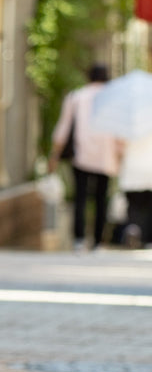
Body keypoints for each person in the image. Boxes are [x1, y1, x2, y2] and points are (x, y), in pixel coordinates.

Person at [48, 64, 118, 251]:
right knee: (101, 199)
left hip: (81, 154)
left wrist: (55, 154)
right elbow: (119, 130)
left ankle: (79, 240)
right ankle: (98, 242)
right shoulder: (112, 98)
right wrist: (120, 154)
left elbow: (63, 127)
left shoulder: (76, 96)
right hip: (106, 156)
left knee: (80, 197)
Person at [117, 132, 152, 247]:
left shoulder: (126, 128)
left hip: (131, 172)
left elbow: (119, 150)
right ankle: (146, 238)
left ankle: (133, 230)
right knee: (147, 208)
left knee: (133, 207)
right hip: (148, 172)